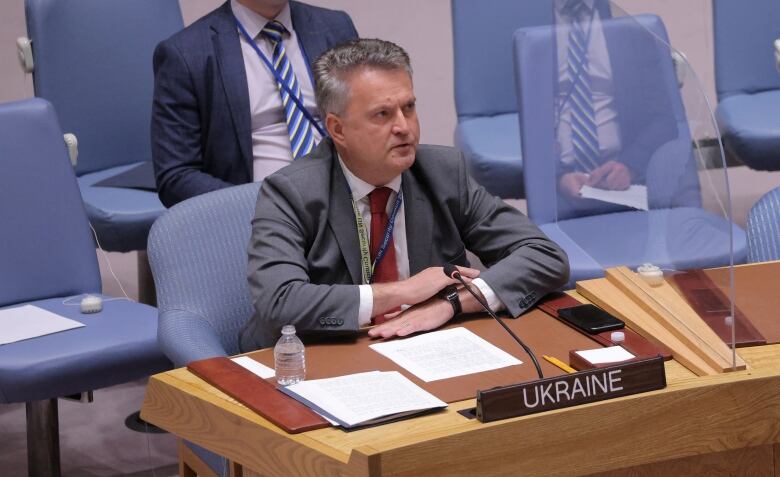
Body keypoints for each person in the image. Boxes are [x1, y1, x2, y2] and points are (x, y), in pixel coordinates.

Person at [239, 39, 569, 351]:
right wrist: (405, 292)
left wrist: (450, 303)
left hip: (424, 348)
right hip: (322, 356)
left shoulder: (442, 172)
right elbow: (279, 302)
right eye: (382, 114)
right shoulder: (290, 192)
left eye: (408, 108)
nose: (404, 127)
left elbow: (544, 256)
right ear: (337, 129)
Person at [151, 0, 358, 208]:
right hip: (261, 213)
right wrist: (256, 205)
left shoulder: (335, 26)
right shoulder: (186, 53)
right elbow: (176, 176)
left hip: (350, 195)